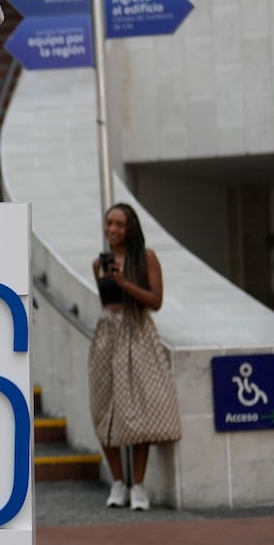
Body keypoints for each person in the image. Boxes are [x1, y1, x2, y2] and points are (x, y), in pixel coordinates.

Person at [88, 202, 181, 511]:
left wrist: (124, 283)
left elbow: (156, 301)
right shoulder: (98, 263)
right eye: (108, 223)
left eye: (118, 225)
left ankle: (138, 485)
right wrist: (112, 281)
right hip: (107, 334)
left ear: (130, 230)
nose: (112, 230)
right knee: (104, 406)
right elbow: (106, 302)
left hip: (138, 331)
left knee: (141, 407)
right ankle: (118, 482)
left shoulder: (146, 258)